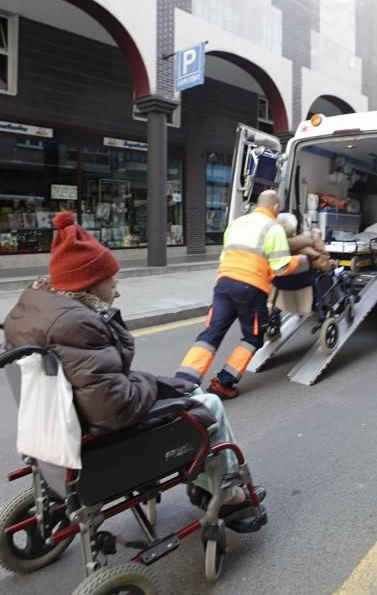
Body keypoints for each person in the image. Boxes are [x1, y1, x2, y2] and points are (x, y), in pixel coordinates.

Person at [3, 211, 265, 521]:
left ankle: (206, 481)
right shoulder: (76, 325)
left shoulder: (32, 309)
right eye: (112, 281)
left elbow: (95, 383)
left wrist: (152, 383)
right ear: (90, 284)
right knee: (208, 404)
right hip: (97, 434)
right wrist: (151, 385)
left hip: (55, 428)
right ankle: (226, 492)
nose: (117, 290)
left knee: (186, 386)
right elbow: (114, 408)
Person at [176, 190, 309, 399]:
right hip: (250, 288)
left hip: (223, 284)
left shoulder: (236, 223)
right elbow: (281, 267)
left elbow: (226, 255)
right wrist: (300, 260)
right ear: (275, 208)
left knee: (211, 334)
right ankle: (224, 383)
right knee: (252, 337)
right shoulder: (273, 229)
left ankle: (183, 384)